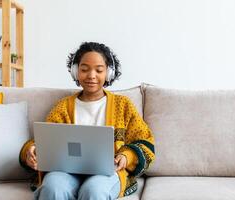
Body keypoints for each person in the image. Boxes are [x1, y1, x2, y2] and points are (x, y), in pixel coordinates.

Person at [19, 42, 155, 200]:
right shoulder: (63, 107)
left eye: (99, 70)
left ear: (109, 73)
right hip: (66, 172)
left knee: (94, 191)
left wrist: (126, 156)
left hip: (106, 173)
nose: (91, 75)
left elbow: (145, 141)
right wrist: (32, 151)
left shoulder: (123, 105)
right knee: (52, 187)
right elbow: (44, 140)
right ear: (75, 71)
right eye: (84, 69)